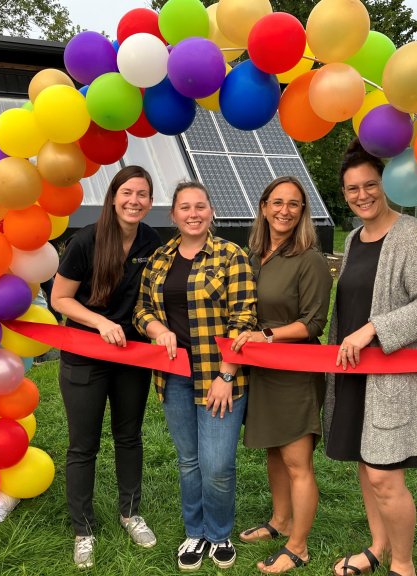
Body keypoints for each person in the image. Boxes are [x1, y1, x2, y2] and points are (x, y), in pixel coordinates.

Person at [326, 140, 417, 576]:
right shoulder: (354, 239)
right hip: (356, 373)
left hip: (395, 379)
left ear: (388, 185)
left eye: (370, 185)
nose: (362, 195)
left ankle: (403, 565)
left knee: (384, 476)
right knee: (366, 463)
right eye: (352, 189)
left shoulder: (410, 235)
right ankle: (377, 547)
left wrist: (375, 328)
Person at [133, 181, 257, 572]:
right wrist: (157, 329)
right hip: (174, 376)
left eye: (200, 206)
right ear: (173, 215)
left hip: (220, 376)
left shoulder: (231, 255)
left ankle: (219, 534)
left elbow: (244, 318)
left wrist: (226, 373)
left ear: (211, 211)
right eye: (184, 207)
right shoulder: (159, 259)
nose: (193, 213)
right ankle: (195, 532)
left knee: (217, 465)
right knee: (189, 461)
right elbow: (141, 310)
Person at [51, 165, 162, 570]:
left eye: (143, 194)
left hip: (132, 357)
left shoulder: (152, 240)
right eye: (127, 193)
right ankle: (84, 531)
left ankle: (130, 513)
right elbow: (60, 299)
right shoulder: (87, 240)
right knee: (84, 445)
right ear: (114, 196)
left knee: (129, 436)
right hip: (85, 355)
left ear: (150, 201)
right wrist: (100, 322)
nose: (135, 201)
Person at [231, 176, 332, 574]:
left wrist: (266, 335)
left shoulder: (309, 259)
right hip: (262, 370)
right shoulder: (254, 256)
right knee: (274, 450)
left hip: (294, 370)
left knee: (296, 460)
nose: (284, 210)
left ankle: (299, 546)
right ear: (263, 206)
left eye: (293, 204)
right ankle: (280, 521)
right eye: (277, 202)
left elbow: (313, 323)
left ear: (303, 211)